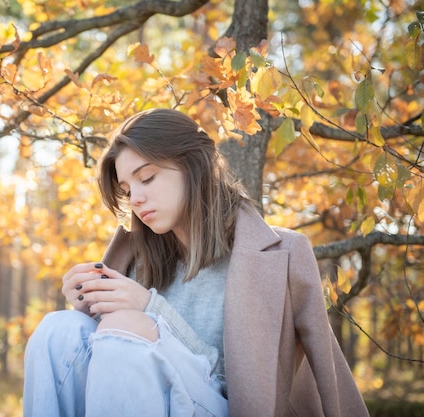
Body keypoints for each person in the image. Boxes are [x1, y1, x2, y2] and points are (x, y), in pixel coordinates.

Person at [23, 108, 369, 417]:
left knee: (129, 328)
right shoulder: (141, 259)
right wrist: (90, 303)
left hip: (220, 406)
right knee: (58, 329)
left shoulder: (282, 253)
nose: (137, 199)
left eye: (147, 178)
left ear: (194, 166)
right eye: (127, 191)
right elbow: (109, 365)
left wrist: (149, 309)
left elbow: (325, 370)